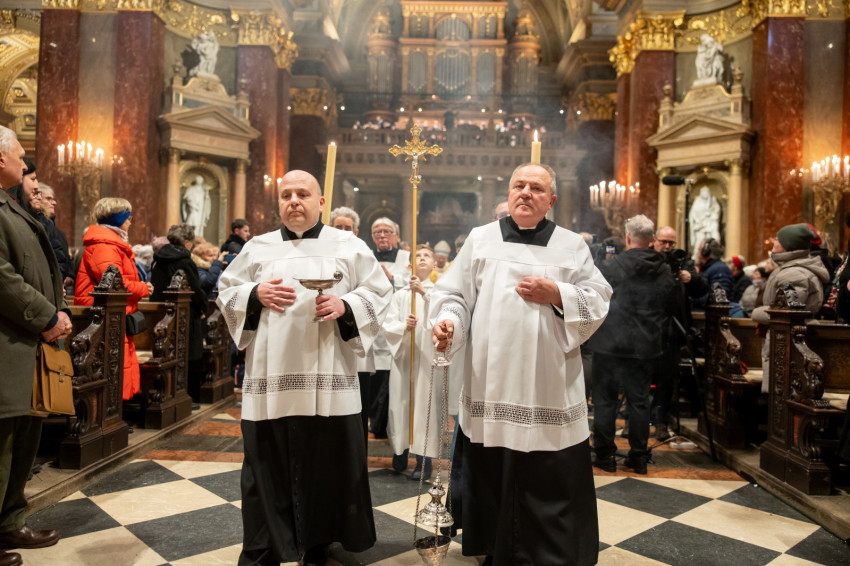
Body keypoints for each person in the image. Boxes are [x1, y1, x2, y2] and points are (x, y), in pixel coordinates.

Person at [430, 163, 612, 566]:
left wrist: (559, 294)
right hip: (491, 383)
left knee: (547, 472)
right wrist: (449, 322)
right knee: (493, 471)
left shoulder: (571, 245)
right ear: (509, 193)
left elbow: (599, 297)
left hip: (549, 383)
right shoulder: (480, 239)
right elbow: (453, 295)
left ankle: (549, 555)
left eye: (536, 188)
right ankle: (495, 550)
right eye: (518, 185)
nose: (525, 193)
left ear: (552, 199)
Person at [217, 170, 392, 566]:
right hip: (271, 380)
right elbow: (226, 292)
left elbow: (380, 292)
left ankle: (318, 543)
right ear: (278, 202)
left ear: (321, 202)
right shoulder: (257, 248)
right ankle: (266, 545)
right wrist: (254, 294)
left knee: (325, 467)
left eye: (303, 194)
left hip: (329, 380)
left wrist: (346, 305)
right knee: (266, 465)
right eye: (286, 195)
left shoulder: (348, 245)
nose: (294, 201)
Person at [0, 126, 64, 565]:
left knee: (23, 438)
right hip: (9, 341)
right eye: (21, 157)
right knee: (2, 444)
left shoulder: (10, 205)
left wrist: (57, 311)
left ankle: (9, 522)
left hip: (25, 342)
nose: (26, 166)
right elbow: (3, 277)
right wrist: (46, 315)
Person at [589, 215, 679, 474]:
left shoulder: (613, 266)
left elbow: (599, 300)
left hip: (610, 344)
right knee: (640, 401)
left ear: (628, 237)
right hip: (645, 345)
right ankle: (638, 457)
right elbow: (671, 305)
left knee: (606, 401)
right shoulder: (664, 270)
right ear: (651, 239)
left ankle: (605, 455)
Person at [75, 197, 153, 402]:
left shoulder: (113, 243)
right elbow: (113, 282)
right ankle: (110, 411)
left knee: (119, 367)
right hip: (103, 316)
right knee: (112, 368)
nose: (130, 221)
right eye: (128, 217)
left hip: (114, 315)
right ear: (117, 218)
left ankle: (115, 410)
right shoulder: (105, 246)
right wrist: (143, 288)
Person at [752, 224, 829, 393]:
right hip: (785, 338)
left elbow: (785, 312)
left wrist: (756, 313)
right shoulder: (790, 269)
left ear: (789, 245)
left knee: (782, 394)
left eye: (778, 239)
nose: (774, 241)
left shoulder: (795, 274)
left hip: (789, 341)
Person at [650, 225, 708, 440]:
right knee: (640, 376)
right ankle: (632, 421)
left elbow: (703, 288)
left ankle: (662, 423)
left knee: (667, 380)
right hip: (648, 327)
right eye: (663, 242)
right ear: (654, 240)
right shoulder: (648, 259)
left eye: (671, 243)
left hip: (672, 331)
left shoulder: (683, 261)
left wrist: (690, 278)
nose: (667, 246)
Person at [361, 218, 410, 439]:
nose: (382, 235)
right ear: (372, 237)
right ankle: (375, 423)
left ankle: (387, 423)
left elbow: (411, 285)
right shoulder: (366, 257)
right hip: (373, 323)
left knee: (391, 376)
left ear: (396, 235)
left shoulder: (405, 258)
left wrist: (392, 279)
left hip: (394, 323)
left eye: (387, 231)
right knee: (374, 376)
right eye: (377, 232)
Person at [151, 224, 208, 403]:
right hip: (185, 315)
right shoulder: (185, 261)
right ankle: (188, 396)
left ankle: (167, 393)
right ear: (187, 242)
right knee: (187, 354)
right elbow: (195, 289)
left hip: (161, 314)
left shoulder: (158, 259)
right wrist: (204, 307)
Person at [692, 237, 734, 309]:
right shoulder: (708, 267)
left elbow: (719, 298)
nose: (697, 253)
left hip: (715, 313)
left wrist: (692, 298)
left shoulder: (720, 269)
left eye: (699, 250)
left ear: (705, 252)